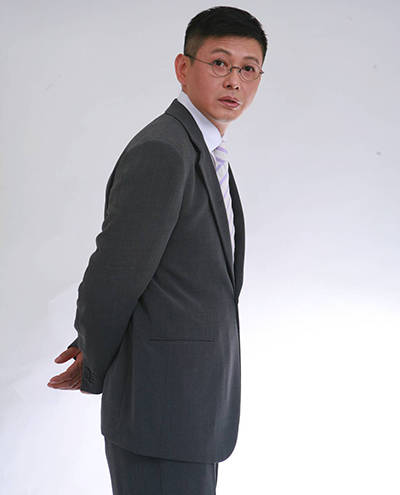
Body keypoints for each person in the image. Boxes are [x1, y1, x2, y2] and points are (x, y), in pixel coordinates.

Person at [48, 6, 268, 494]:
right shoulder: (164, 150)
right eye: (219, 63)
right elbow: (113, 275)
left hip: (191, 410)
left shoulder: (203, 151)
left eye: (248, 68)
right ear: (183, 68)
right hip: (161, 412)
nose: (234, 80)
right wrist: (92, 353)